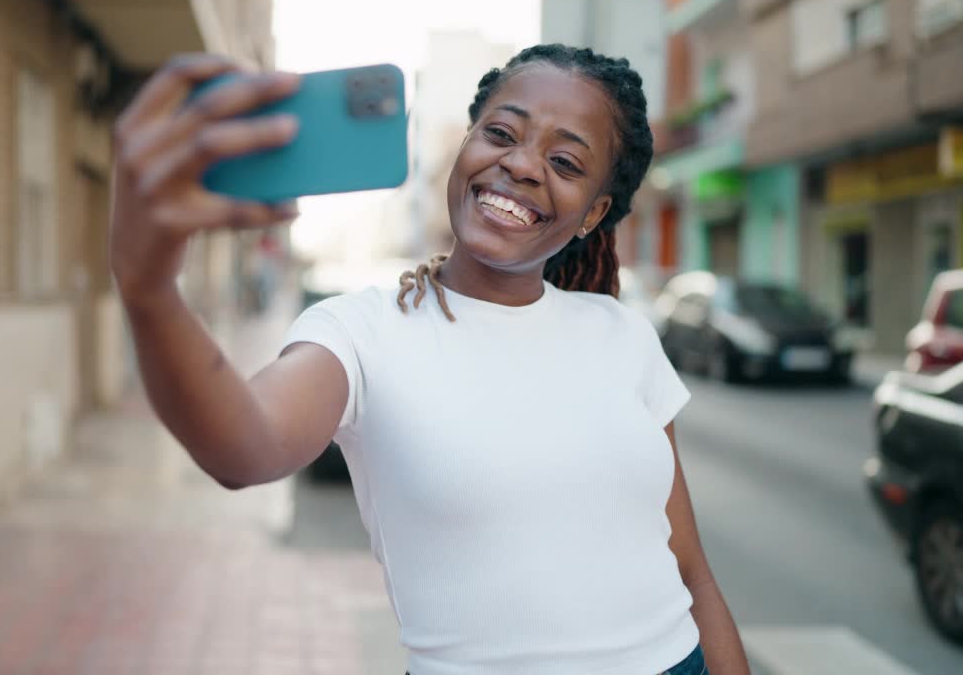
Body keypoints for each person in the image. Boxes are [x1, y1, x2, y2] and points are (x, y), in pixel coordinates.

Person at [109, 46, 750, 675]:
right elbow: (242, 449)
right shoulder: (361, 331)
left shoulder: (625, 335)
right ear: (464, 146)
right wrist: (149, 290)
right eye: (501, 132)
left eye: (564, 160)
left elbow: (689, 567)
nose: (522, 165)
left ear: (595, 213)